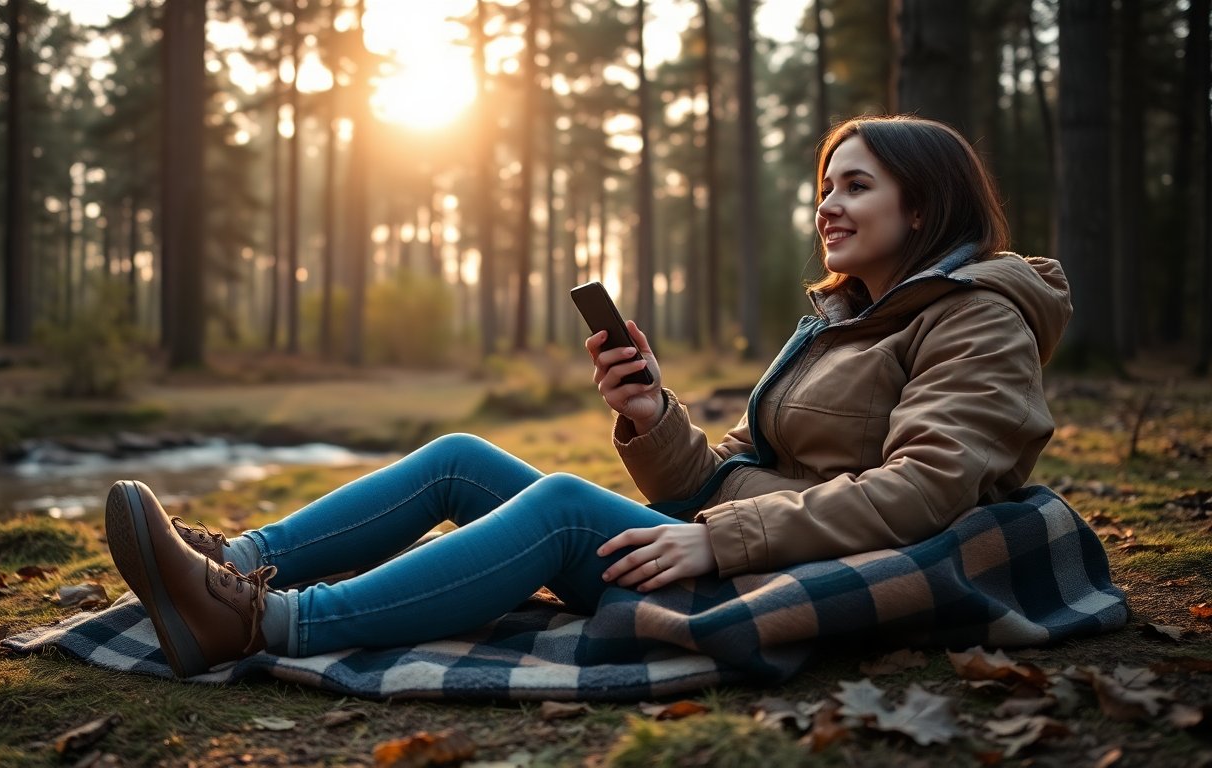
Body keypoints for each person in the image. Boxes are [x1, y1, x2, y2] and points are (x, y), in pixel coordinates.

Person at [104, 115, 1071, 679]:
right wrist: (651, 417)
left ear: (925, 203)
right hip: (741, 545)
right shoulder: (848, 318)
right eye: (824, 186)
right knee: (457, 458)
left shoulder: (976, 319)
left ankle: (270, 625)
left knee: (563, 506)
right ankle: (233, 562)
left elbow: (927, 489)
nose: (826, 206)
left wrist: (717, 540)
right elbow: (732, 472)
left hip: (782, 575)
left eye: (854, 186)